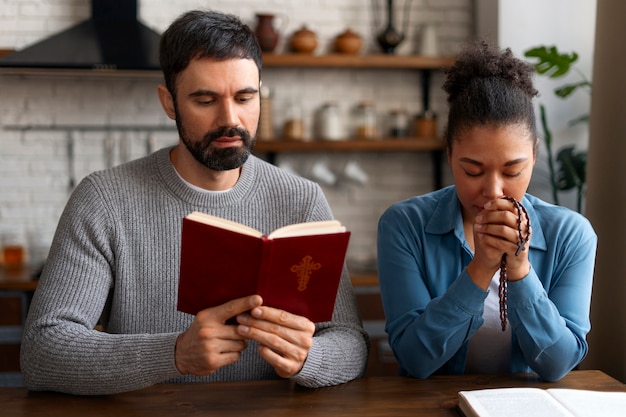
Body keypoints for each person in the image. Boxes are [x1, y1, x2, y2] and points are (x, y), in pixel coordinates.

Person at [20, 10, 368, 395]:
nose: (230, 119)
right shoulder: (105, 199)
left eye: (245, 97)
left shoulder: (301, 199)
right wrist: (174, 353)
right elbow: (42, 351)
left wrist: (309, 359)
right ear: (169, 103)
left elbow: (351, 342)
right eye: (205, 100)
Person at [376, 41, 596, 382]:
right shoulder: (405, 224)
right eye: (473, 171)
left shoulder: (570, 234)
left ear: (534, 156)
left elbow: (559, 364)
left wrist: (520, 269)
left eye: (512, 171)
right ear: (449, 154)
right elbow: (416, 359)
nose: (493, 191)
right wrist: (481, 267)